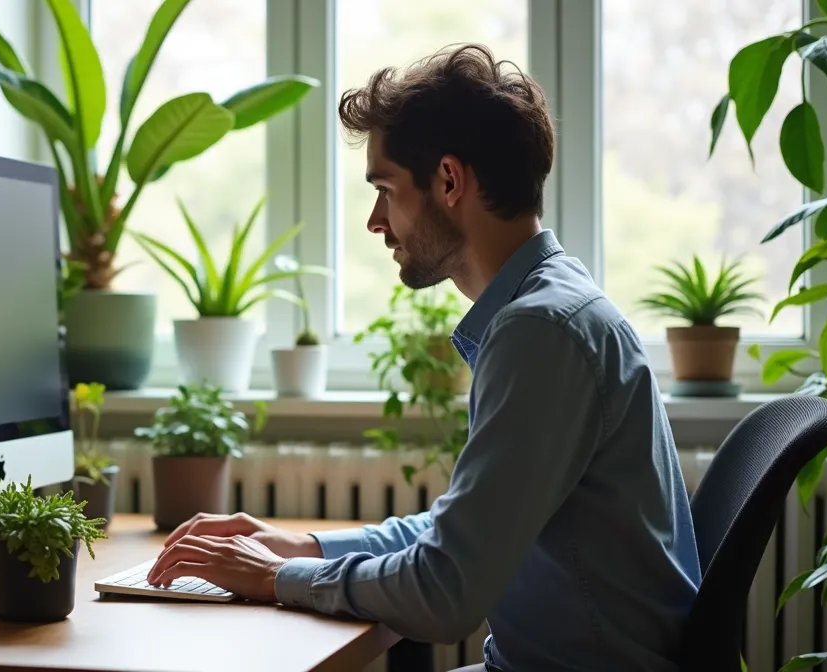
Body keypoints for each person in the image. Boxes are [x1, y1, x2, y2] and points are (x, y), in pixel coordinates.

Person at [145, 43, 701, 672]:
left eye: (385, 189)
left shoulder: (540, 332)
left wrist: (278, 578)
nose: (375, 221)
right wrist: (305, 545)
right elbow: (458, 536)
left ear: (448, 180)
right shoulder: (550, 306)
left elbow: (446, 592)